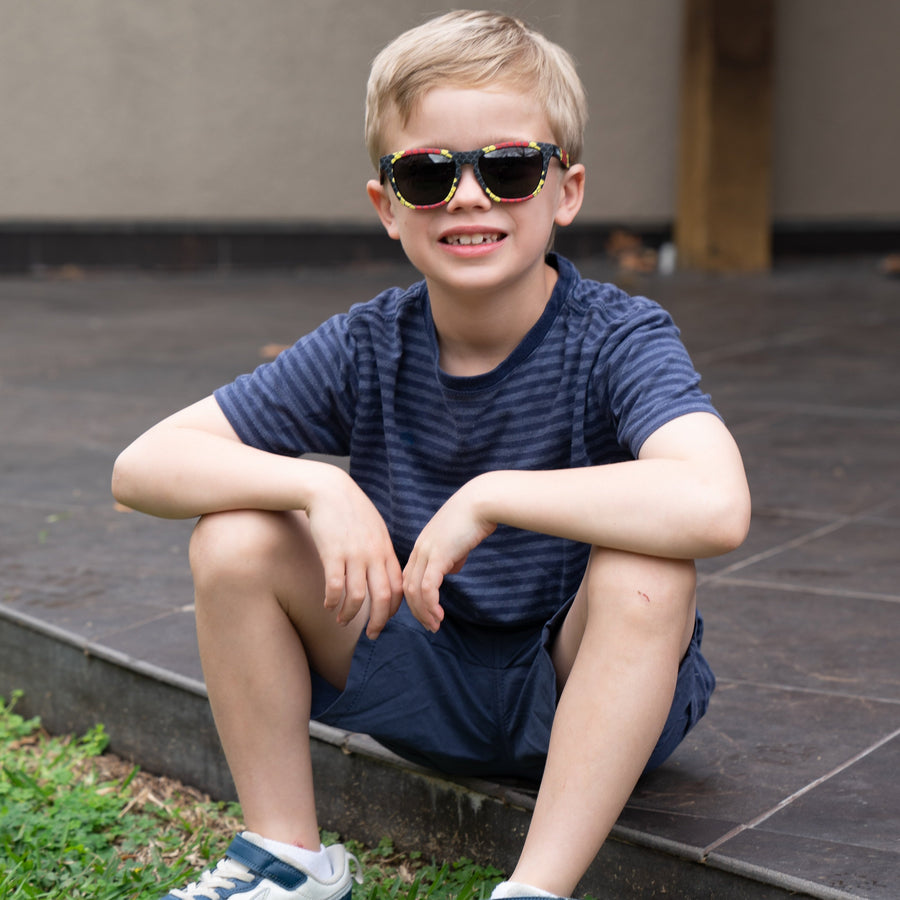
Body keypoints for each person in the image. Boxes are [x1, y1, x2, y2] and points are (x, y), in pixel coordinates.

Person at [112, 10, 751, 900]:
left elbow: (717, 504)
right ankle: (285, 861)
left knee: (651, 570)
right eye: (427, 173)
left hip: (584, 692)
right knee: (235, 535)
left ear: (565, 191)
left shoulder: (617, 337)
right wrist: (314, 488)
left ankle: (535, 890)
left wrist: (494, 495)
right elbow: (141, 466)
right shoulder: (369, 344)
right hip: (421, 672)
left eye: (510, 166)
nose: (469, 195)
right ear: (387, 207)